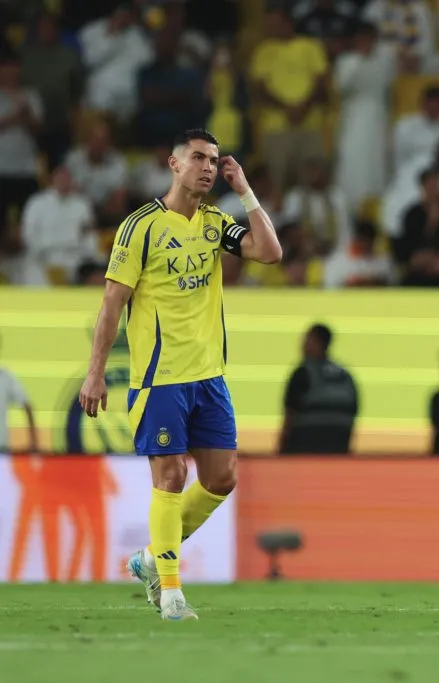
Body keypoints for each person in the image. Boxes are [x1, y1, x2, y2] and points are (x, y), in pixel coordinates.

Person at [78, 129, 283, 620]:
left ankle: (150, 558)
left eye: (214, 160)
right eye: (197, 158)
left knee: (222, 478)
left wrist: (245, 190)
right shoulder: (140, 227)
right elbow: (112, 303)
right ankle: (170, 591)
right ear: (173, 164)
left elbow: (270, 253)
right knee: (170, 476)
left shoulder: (215, 223)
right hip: (159, 377)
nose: (207, 167)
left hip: (210, 377)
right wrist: (96, 373)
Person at [279, 324, 359, 455]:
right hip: (338, 447)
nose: (303, 344)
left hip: (307, 448)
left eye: (307, 339)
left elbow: (289, 416)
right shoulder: (345, 375)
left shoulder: (302, 373)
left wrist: (282, 451)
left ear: (318, 343)